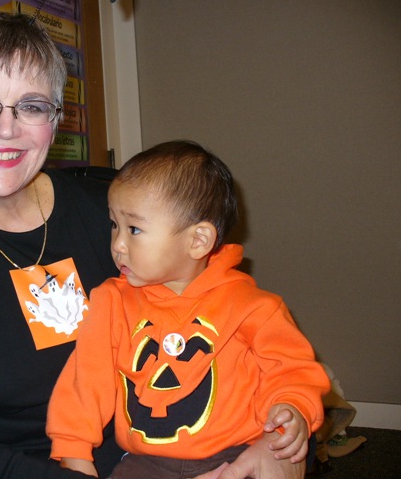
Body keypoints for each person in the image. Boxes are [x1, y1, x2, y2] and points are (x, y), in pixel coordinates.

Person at [0, 11, 315, 479]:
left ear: (56, 120)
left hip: (157, 456)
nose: (6, 128)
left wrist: (279, 443)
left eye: (32, 106)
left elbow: (238, 330)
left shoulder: (118, 212)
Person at [46, 140, 331, 478]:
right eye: (114, 225)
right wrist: (73, 451)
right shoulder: (111, 302)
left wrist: (292, 408)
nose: (118, 244)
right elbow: (84, 383)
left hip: (236, 454)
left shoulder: (253, 307)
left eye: (134, 229)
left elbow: (291, 369)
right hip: (145, 463)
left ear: (198, 241)